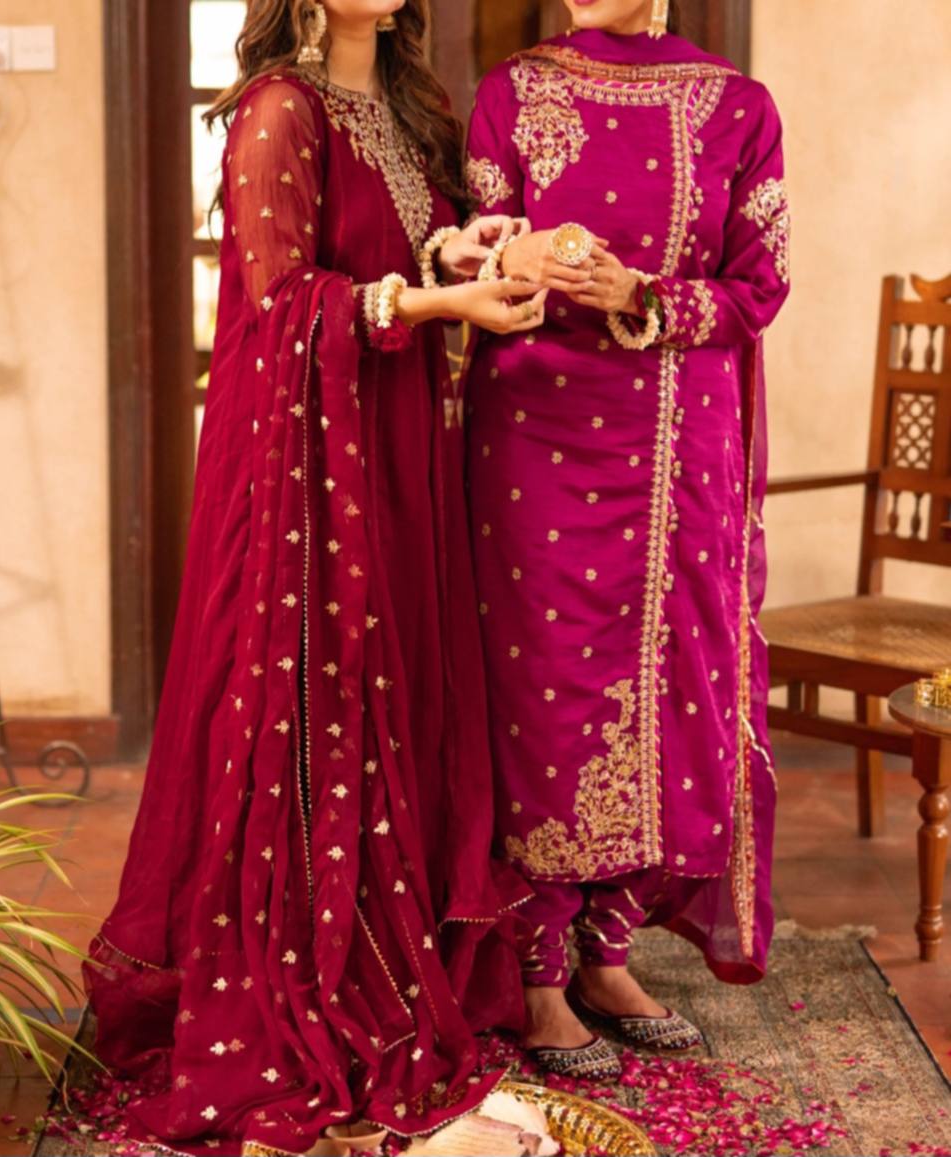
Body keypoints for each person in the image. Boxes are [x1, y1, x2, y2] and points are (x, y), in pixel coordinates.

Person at [84, 2, 547, 1152]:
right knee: (314, 696)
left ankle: (387, 945)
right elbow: (283, 298)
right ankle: (299, 965)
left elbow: (389, 253)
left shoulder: (399, 103)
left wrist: (455, 255)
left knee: (393, 686)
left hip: (391, 442)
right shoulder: (279, 111)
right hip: (307, 465)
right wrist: (442, 304)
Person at [463, 0, 790, 1077]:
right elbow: (478, 256)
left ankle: (609, 952)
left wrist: (644, 292)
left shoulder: (736, 105)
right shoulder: (515, 93)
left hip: (677, 442)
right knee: (543, 689)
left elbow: (758, 286)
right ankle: (537, 971)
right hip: (535, 433)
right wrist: (525, 261)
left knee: (669, 688)